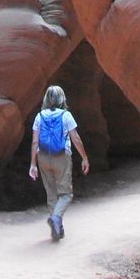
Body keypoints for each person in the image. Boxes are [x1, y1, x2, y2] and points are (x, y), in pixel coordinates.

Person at [28, 85, 90, 239]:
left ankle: (58, 227)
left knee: (51, 194)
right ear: (62, 98)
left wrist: (33, 164)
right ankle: (56, 219)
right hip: (62, 157)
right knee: (66, 194)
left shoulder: (39, 116)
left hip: (43, 157)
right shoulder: (66, 115)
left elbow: (35, 142)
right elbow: (75, 137)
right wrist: (84, 157)